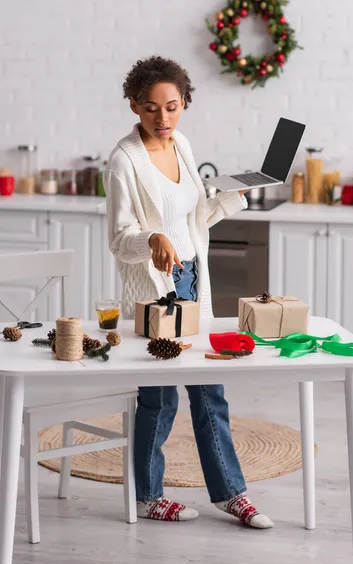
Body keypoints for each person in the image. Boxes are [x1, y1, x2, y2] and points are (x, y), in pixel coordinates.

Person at [103, 56, 273, 529]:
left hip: (194, 281)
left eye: (173, 107)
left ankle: (231, 495)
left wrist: (237, 194)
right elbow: (120, 238)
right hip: (157, 290)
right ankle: (148, 496)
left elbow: (193, 219)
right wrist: (151, 240)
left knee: (210, 392)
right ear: (134, 104)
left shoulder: (182, 146)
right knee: (160, 400)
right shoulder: (123, 160)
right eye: (152, 108)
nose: (163, 119)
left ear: (184, 105)